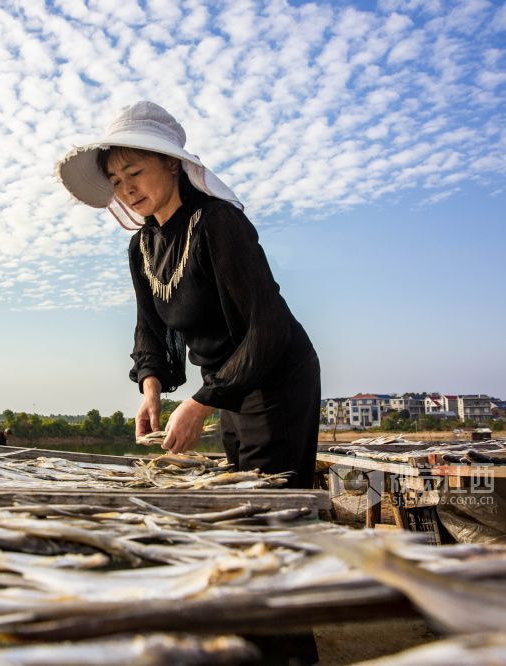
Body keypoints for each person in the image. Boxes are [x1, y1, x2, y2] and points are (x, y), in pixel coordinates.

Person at [57, 101, 320, 488]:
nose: (126, 188)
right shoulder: (142, 246)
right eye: (115, 180)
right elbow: (149, 328)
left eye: (134, 171)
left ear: (172, 164)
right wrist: (152, 391)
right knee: (242, 490)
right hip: (225, 384)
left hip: (276, 377)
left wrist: (198, 405)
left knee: (269, 498)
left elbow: (269, 327)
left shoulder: (217, 222)